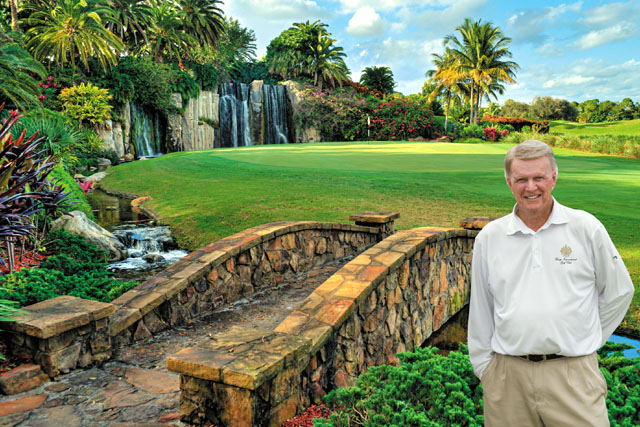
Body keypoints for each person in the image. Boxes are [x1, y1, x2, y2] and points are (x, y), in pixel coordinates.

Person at [468, 139, 634, 426]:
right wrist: (486, 369)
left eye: (538, 178)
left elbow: (620, 292)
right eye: (521, 179)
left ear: (553, 178)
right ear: (509, 181)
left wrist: (586, 338)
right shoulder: (490, 237)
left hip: (573, 377)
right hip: (508, 379)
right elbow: (482, 307)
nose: (530, 187)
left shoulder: (586, 228)